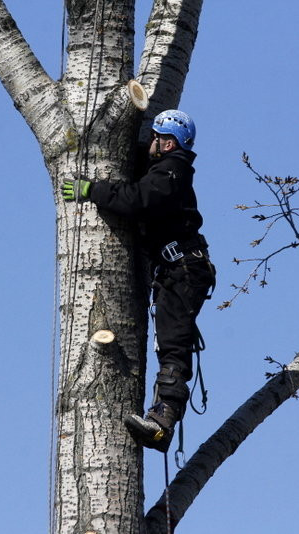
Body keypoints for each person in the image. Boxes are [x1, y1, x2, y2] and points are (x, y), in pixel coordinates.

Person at [60, 109, 216, 452]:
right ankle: (162, 415)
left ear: (169, 143)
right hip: (178, 268)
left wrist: (92, 189)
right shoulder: (166, 169)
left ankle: (164, 419)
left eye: (156, 138)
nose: (151, 143)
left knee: (173, 342)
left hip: (183, 269)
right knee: (169, 341)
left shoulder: (171, 171)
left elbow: (137, 199)